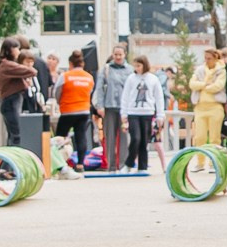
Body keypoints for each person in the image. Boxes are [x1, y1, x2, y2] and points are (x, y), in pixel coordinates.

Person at [0, 38, 33, 152]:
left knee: (10, 134)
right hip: (9, 102)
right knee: (13, 134)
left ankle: (6, 163)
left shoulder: (3, 65)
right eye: (16, 48)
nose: (18, 51)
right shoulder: (8, 65)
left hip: (5, 103)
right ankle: (9, 163)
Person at [120, 54, 162, 170]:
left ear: (144, 65)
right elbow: (125, 96)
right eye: (135, 66)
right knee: (135, 138)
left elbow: (159, 98)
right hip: (133, 113)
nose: (137, 68)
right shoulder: (131, 78)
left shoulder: (153, 79)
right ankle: (129, 164)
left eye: (139, 66)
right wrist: (124, 113)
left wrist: (160, 115)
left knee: (144, 141)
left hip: (148, 113)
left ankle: (143, 166)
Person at [95, 42, 131, 171]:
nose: (118, 57)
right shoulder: (106, 69)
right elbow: (99, 88)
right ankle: (111, 165)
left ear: (124, 55)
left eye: (120, 54)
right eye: (116, 54)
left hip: (124, 109)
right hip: (109, 107)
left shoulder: (130, 70)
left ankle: (122, 164)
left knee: (124, 137)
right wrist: (100, 106)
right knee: (109, 136)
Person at [54, 50, 94, 161]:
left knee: (60, 136)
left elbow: (57, 92)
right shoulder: (89, 77)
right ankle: (81, 163)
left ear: (70, 63)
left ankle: (60, 162)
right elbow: (90, 92)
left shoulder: (65, 76)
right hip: (84, 110)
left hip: (68, 110)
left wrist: (59, 102)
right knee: (81, 136)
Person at [189, 48, 227, 146]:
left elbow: (218, 86)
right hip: (200, 107)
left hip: (215, 107)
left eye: (209, 58)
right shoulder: (199, 70)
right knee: (199, 137)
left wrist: (204, 87)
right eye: (205, 58)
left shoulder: (221, 70)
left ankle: (213, 160)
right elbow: (192, 84)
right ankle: (200, 160)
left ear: (215, 58)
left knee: (214, 138)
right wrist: (205, 84)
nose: (206, 60)